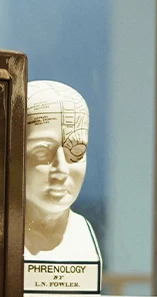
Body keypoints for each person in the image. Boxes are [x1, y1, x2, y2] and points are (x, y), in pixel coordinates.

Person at [23, 80, 100, 261]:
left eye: (76, 152)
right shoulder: (2, 235)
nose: (61, 170)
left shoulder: (82, 235)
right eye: (41, 152)